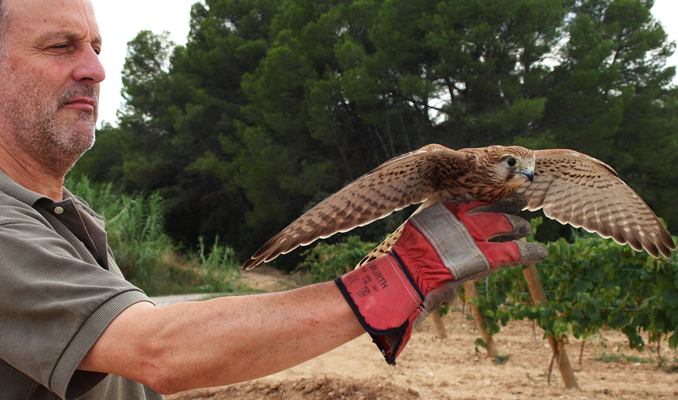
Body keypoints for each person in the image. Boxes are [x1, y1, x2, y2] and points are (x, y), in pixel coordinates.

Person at [0, 0, 548, 399]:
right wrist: (393, 281)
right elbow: (158, 351)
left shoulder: (64, 219)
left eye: (96, 47)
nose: (96, 69)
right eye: (60, 46)